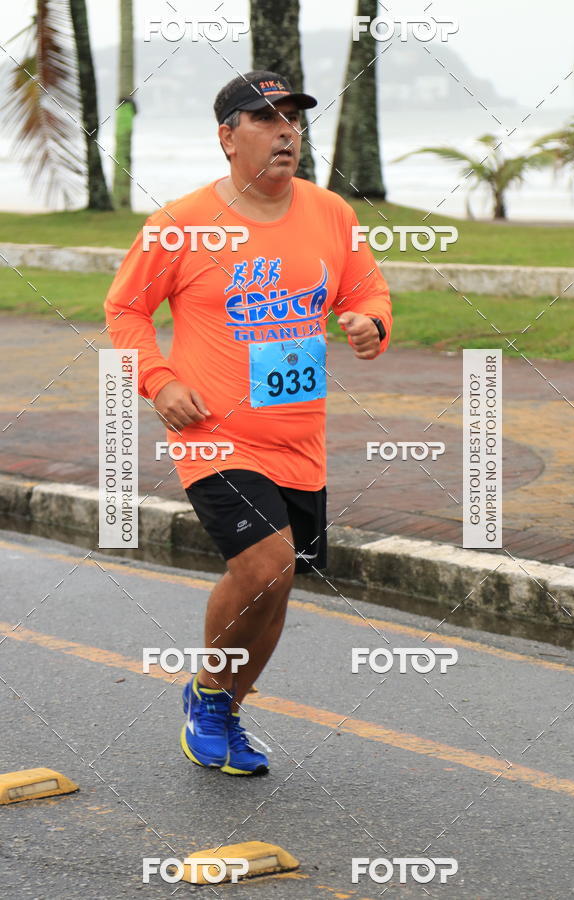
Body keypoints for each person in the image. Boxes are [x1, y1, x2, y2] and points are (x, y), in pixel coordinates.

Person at [104, 70, 392, 777]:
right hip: (215, 433)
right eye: (264, 118)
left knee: (281, 581)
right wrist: (160, 380)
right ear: (227, 136)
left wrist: (370, 326)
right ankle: (207, 693)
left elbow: (368, 292)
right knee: (265, 564)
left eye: (291, 118)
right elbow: (125, 309)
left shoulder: (331, 214)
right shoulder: (180, 223)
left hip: (300, 437)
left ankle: (230, 705)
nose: (285, 130)